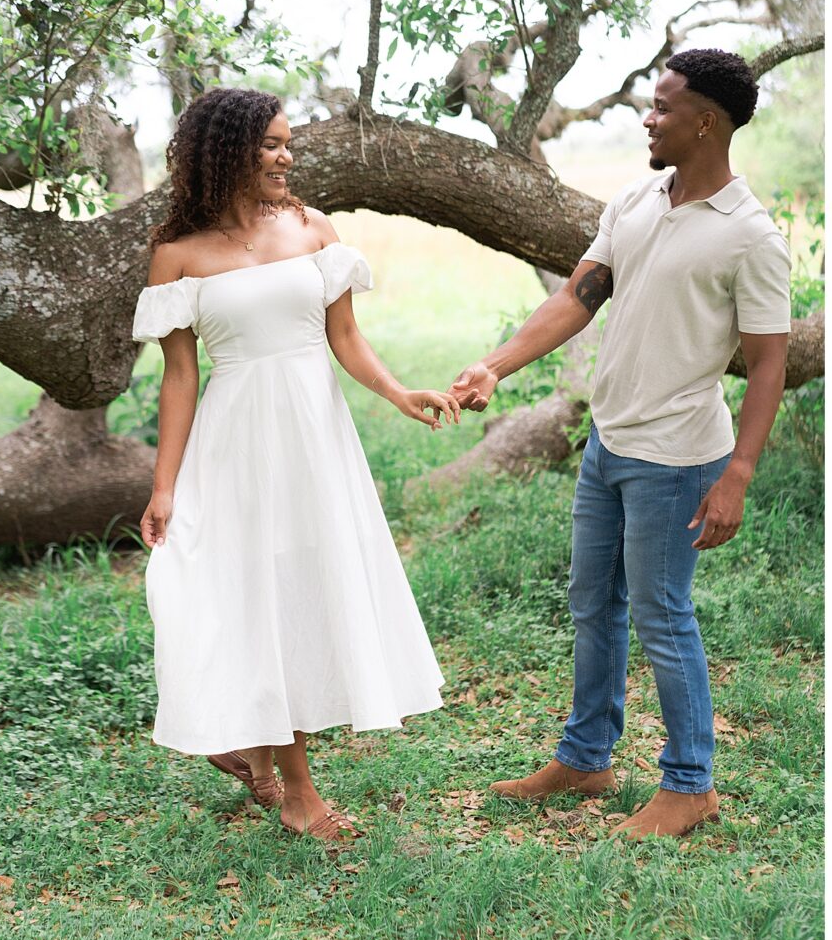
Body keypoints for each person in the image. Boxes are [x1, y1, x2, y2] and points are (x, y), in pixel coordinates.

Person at [451, 49, 790, 838]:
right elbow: (578, 296)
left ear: (705, 120)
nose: (647, 117)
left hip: (677, 458)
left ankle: (689, 785)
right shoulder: (637, 197)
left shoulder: (749, 236)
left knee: (661, 615)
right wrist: (494, 367)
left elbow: (768, 362)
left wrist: (738, 470)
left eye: (662, 106)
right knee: (591, 604)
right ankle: (585, 757)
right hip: (609, 442)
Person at [134, 87, 458, 844]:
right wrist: (164, 485)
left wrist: (398, 392)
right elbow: (180, 378)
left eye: (288, 144)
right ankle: (298, 795)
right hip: (236, 445)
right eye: (270, 145)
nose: (286, 158)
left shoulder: (315, 230)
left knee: (299, 592)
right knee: (249, 597)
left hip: (315, 443)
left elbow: (345, 338)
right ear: (226, 155)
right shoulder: (178, 255)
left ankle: (245, 739)